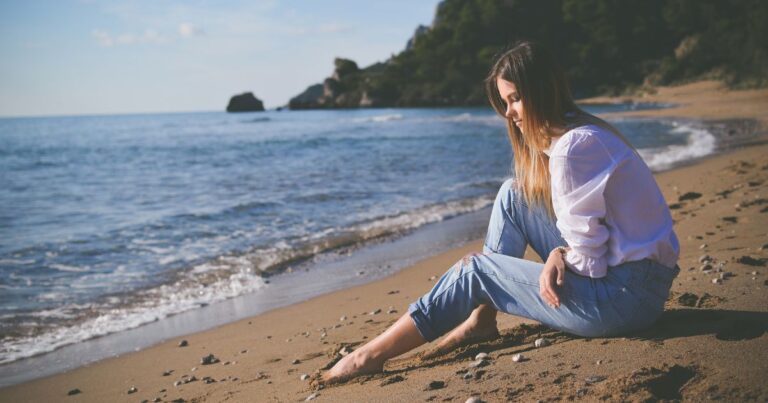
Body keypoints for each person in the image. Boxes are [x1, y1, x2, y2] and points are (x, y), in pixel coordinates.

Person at [321, 40, 680, 383]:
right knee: (513, 194)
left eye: (516, 98)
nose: (508, 112)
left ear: (541, 90)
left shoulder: (573, 148)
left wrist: (559, 255)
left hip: (622, 302)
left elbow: (591, 262)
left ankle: (368, 356)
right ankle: (481, 319)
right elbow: (600, 245)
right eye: (505, 101)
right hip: (637, 287)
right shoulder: (582, 133)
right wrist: (561, 254)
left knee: (476, 270)